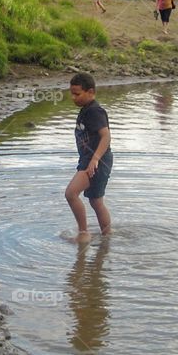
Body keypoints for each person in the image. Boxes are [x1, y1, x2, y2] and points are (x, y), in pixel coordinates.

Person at [65, 72, 112, 241]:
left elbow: (106, 136)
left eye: (77, 94)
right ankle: (107, 238)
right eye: (71, 93)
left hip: (96, 161)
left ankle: (84, 234)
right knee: (95, 201)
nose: (73, 97)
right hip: (91, 160)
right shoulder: (86, 110)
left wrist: (94, 159)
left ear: (90, 92)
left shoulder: (95, 111)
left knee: (71, 193)